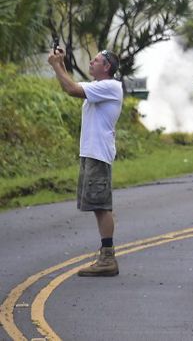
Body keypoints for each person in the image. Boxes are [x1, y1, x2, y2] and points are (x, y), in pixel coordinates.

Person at [48, 48, 123, 277]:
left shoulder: (110, 86)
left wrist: (56, 65)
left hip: (98, 154)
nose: (91, 62)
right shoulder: (100, 88)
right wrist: (60, 64)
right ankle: (106, 255)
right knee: (98, 205)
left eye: (96, 60)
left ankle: (108, 257)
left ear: (107, 67)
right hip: (92, 153)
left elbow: (71, 88)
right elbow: (72, 84)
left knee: (101, 205)